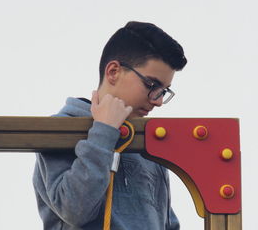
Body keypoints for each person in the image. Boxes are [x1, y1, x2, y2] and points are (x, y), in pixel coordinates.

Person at [33, 21, 187, 230]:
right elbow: (74, 210)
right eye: (152, 85)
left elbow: (166, 223)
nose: (158, 100)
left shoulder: (144, 141)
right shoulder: (63, 129)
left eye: (164, 91)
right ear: (113, 71)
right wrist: (104, 133)